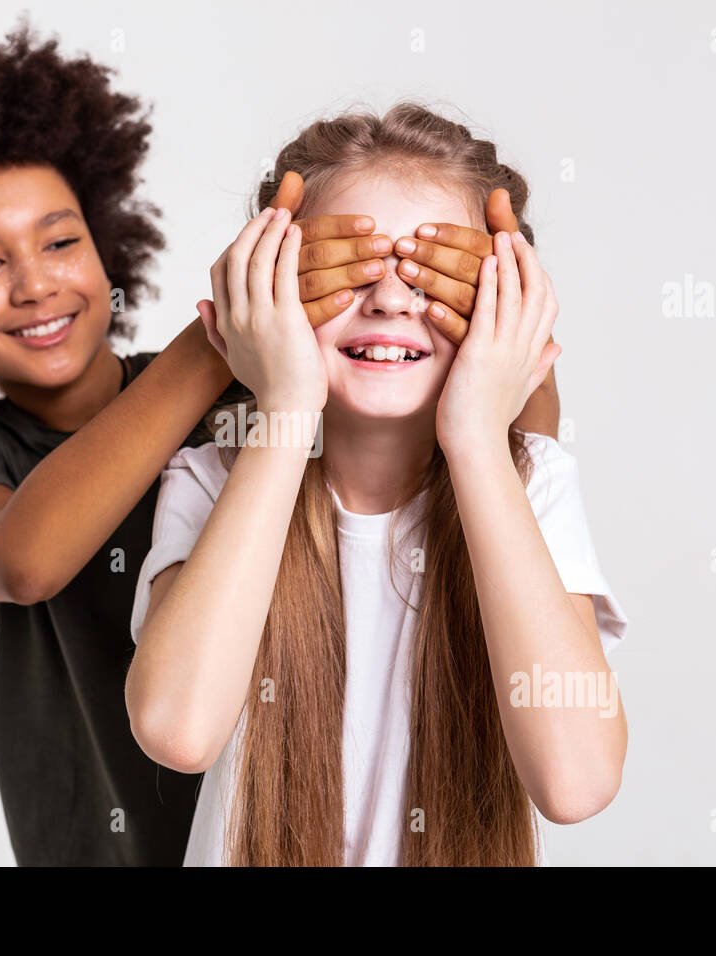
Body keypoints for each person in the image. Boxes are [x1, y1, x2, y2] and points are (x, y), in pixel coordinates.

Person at [0, 20, 560, 864]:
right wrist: (220, 336)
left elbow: (513, 450)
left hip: (273, 826)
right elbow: (24, 562)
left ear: (108, 249)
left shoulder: (257, 394)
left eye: (61, 242)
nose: (34, 282)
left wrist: (495, 304)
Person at [127, 103, 625, 866]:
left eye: (429, 273)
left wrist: (476, 437)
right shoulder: (210, 479)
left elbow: (577, 783)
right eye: (354, 267)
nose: (392, 300)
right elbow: (178, 732)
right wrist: (287, 408)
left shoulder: (534, 484)